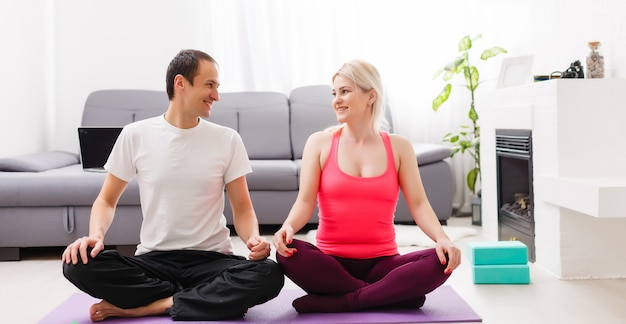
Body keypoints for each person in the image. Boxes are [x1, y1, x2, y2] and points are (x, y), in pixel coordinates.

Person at [62, 49, 284, 322]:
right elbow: (106, 200)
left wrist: (252, 238)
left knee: (269, 274)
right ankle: (205, 298)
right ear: (181, 83)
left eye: (217, 86)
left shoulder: (228, 139)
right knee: (76, 264)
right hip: (154, 261)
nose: (216, 95)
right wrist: (95, 237)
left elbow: (242, 207)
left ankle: (155, 304)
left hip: (211, 260)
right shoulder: (135, 135)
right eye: (210, 85)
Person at [272, 59, 461, 313]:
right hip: (331, 264)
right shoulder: (320, 143)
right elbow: (305, 201)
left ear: (371, 96)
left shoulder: (398, 146)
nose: (336, 100)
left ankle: (342, 300)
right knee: (287, 253)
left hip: (382, 263)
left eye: (345, 91)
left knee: (442, 260)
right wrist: (288, 227)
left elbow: (419, 203)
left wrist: (442, 238)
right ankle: (389, 294)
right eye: (334, 93)